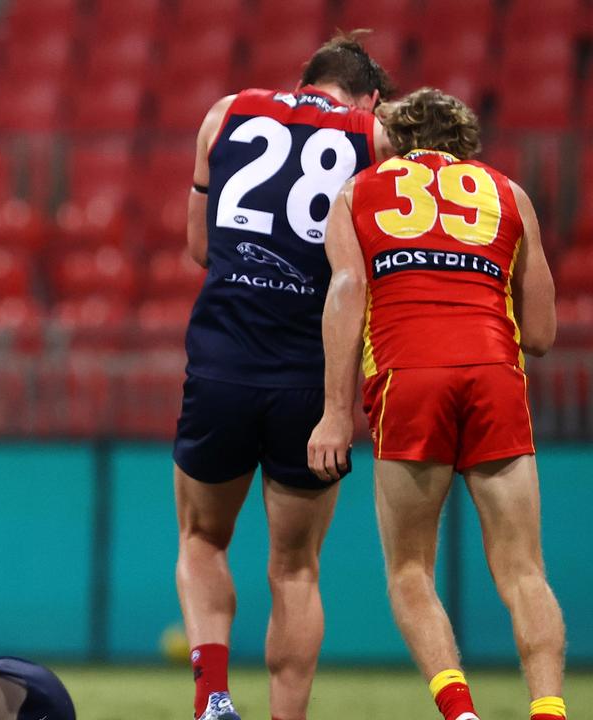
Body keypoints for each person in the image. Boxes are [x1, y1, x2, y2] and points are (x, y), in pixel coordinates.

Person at [308, 88, 566, 720]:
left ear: (396, 139)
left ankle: (461, 713)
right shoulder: (510, 193)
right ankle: (550, 711)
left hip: (409, 378)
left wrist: (335, 412)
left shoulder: (357, 191)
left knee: (409, 569)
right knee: (524, 570)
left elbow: (346, 292)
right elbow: (540, 336)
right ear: (464, 140)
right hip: (493, 375)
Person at [174, 31, 395, 720]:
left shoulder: (227, 110)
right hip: (310, 375)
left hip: (222, 364)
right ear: (371, 96)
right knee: (295, 568)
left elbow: (197, 247)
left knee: (203, 539)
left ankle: (213, 698)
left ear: (306, 78)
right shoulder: (376, 136)